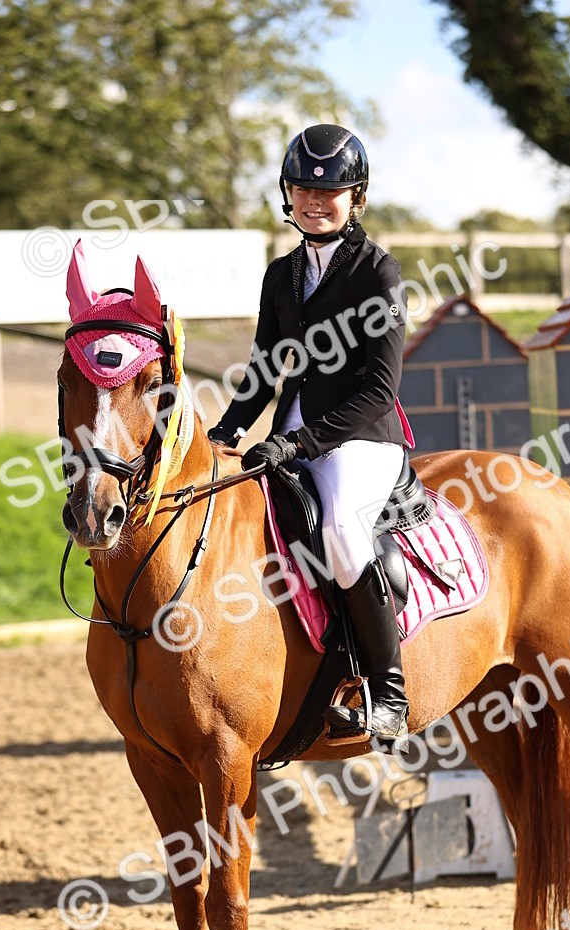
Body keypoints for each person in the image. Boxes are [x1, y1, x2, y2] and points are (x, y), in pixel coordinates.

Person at [207, 123, 411, 741]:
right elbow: (268, 365)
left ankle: (388, 690)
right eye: (302, 190)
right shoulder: (282, 274)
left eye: (332, 192)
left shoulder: (378, 271)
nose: (315, 203)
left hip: (362, 436)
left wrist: (298, 443)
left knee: (344, 530)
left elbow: (381, 387)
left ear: (358, 198)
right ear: (288, 194)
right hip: (289, 428)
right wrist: (226, 428)